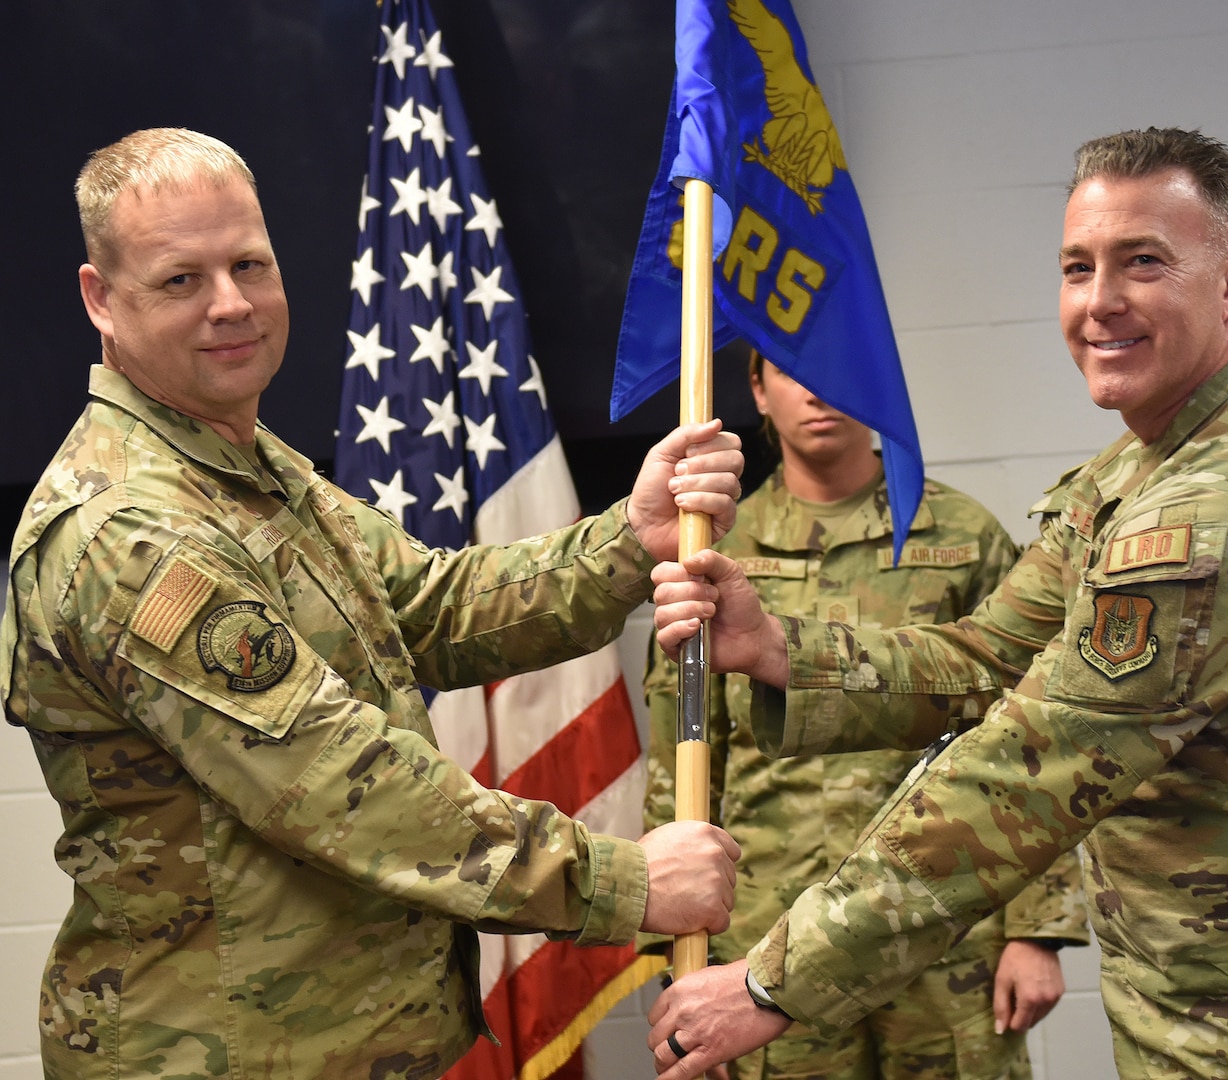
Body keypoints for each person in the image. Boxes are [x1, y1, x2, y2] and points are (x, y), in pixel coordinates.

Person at [644, 127, 1228, 1079]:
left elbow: (1027, 769)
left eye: (1144, 264)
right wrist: (782, 649)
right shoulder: (1137, 472)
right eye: (1077, 268)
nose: (1099, 303)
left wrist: (772, 982)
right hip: (1202, 1015)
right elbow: (984, 660)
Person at [0, 127, 746, 1080]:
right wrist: (623, 882)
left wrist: (626, 542)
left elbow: (429, 608)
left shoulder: (245, 468)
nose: (231, 304)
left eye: (249, 265)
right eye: (180, 280)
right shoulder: (129, 533)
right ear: (101, 299)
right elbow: (343, 784)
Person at [642, 351, 1087, 1080]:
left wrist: (1039, 929)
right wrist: (677, 963)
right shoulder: (716, 549)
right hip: (764, 934)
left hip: (942, 920)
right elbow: (681, 756)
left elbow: (1033, 728)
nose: (818, 387)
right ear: (756, 389)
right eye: (788, 369)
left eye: (831, 360)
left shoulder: (961, 534)